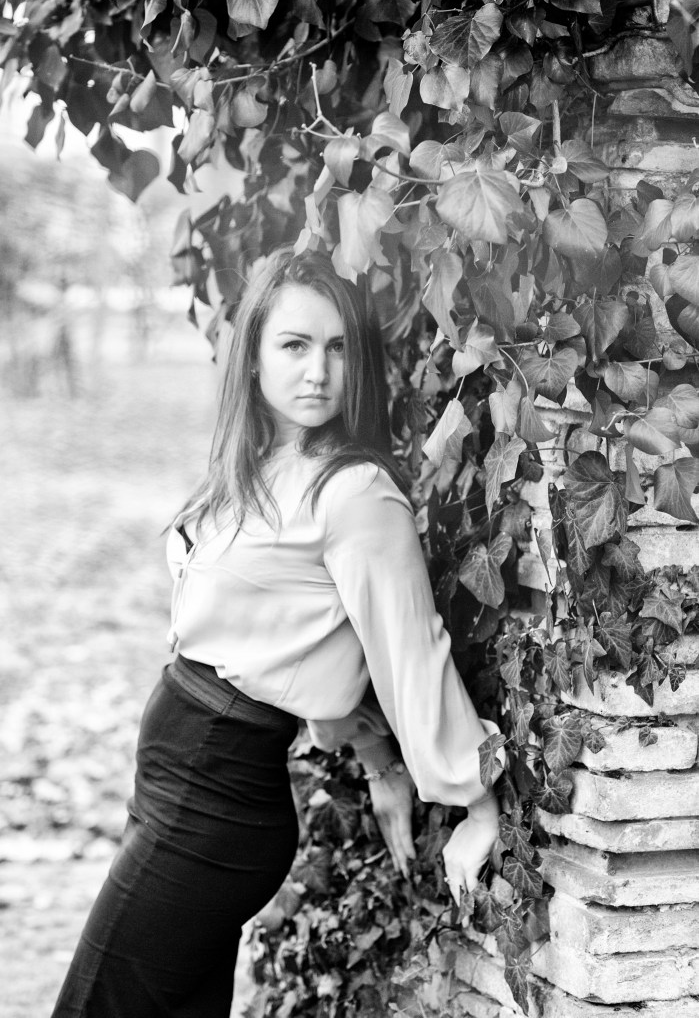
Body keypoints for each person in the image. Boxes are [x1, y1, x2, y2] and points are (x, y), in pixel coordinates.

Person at [52, 247, 501, 1018]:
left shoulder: (354, 492)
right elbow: (304, 641)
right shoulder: (256, 462)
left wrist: (474, 804)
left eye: (337, 348)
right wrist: (375, 758)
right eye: (295, 345)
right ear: (254, 356)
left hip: (213, 798)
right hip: (176, 780)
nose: (318, 371)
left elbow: (407, 650)